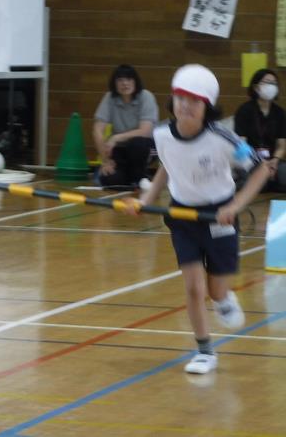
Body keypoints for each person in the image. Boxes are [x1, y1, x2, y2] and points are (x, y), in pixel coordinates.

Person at [123, 64, 271, 375]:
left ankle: (223, 298)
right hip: (182, 216)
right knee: (193, 287)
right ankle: (204, 350)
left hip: (219, 216)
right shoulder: (162, 134)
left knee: (216, 291)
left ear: (207, 106)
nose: (185, 106)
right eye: (180, 98)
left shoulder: (223, 137)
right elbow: (167, 166)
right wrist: (145, 201)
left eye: (194, 101)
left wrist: (236, 205)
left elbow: (262, 170)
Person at [93, 64, 159, 188]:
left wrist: (116, 138)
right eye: (120, 80)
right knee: (109, 180)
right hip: (121, 150)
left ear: (135, 81)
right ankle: (134, 176)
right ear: (114, 83)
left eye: (129, 79)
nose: (125, 83)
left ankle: (140, 177)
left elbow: (145, 131)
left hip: (146, 147)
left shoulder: (146, 97)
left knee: (137, 144)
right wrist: (105, 161)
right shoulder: (109, 98)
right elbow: (97, 130)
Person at [233, 68, 286, 191]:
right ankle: (267, 183)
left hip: (274, 162)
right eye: (267, 82)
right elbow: (241, 144)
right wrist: (260, 163)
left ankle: (267, 182)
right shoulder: (244, 110)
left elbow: (281, 145)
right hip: (250, 161)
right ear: (256, 87)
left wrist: (275, 161)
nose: (271, 86)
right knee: (248, 178)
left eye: (274, 83)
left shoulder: (280, 113)